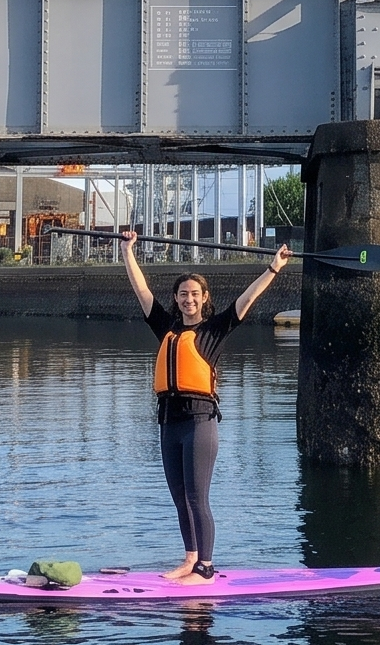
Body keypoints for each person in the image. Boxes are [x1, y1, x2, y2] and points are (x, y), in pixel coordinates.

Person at [121, 227, 293, 583]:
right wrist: (127, 251)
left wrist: (273, 268)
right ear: (176, 298)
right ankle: (190, 559)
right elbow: (141, 291)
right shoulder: (166, 327)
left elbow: (246, 301)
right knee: (180, 498)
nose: (188, 300)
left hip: (200, 425)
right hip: (169, 424)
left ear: (204, 298)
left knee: (198, 497)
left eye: (194, 295)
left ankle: (207, 568)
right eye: (183, 294)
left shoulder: (213, 330)